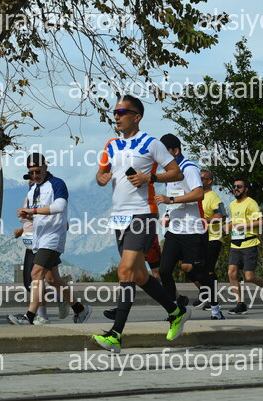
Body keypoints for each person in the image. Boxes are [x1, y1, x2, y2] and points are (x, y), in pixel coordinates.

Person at [92, 95, 190, 353]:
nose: (116, 116)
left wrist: (150, 178)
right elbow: (100, 173)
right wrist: (102, 178)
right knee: (138, 275)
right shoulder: (111, 145)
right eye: (115, 112)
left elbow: (176, 172)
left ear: (137, 116)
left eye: (122, 112)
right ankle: (176, 311)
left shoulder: (151, 143)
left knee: (125, 271)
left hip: (143, 215)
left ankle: (115, 335)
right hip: (119, 217)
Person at [7, 153, 91, 325]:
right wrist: (27, 215)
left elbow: (60, 206)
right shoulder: (33, 189)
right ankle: (80, 310)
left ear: (46, 167)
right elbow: (38, 214)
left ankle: (30, 317)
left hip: (53, 237)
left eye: (37, 171)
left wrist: (33, 211)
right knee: (52, 279)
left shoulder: (57, 183)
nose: (35, 175)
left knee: (35, 273)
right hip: (39, 238)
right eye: (31, 172)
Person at [156, 133, 223, 320]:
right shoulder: (169, 174)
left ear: (176, 151)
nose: (161, 157)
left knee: (200, 272)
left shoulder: (189, 168)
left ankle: (216, 308)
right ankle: (175, 311)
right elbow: (171, 200)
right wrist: (167, 215)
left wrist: (170, 199)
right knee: (164, 271)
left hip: (193, 230)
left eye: (165, 152)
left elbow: (199, 194)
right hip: (175, 231)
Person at [12, 171, 69, 322]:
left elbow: (58, 215)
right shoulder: (29, 196)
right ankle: (77, 308)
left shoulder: (49, 195)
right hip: (32, 244)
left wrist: (33, 213)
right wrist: (22, 228)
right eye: (29, 180)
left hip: (47, 242)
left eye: (34, 179)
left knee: (36, 276)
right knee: (50, 279)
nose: (32, 182)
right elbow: (33, 220)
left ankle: (36, 316)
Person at [225, 177, 263, 315]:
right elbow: (232, 222)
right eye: (234, 186)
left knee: (249, 276)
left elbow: (262, 221)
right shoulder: (232, 204)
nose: (236, 189)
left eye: (239, 186)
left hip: (249, 243)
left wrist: (244, 226)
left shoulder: (251, 203)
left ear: (246, 189)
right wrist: (227, 226)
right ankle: (240, 303)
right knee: (231, 272)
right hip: (235, 243)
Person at [194, 169, 226, 310]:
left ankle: (211, 300)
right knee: (191, 267)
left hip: (213, 237)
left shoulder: (213, 197)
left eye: (202, 178)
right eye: (198, 177)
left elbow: (222, 216)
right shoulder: (196, 195)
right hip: (199, 237)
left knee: (208, 269)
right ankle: (206, 293)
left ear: (210, 181)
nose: (199, 180)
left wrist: (204, 220)